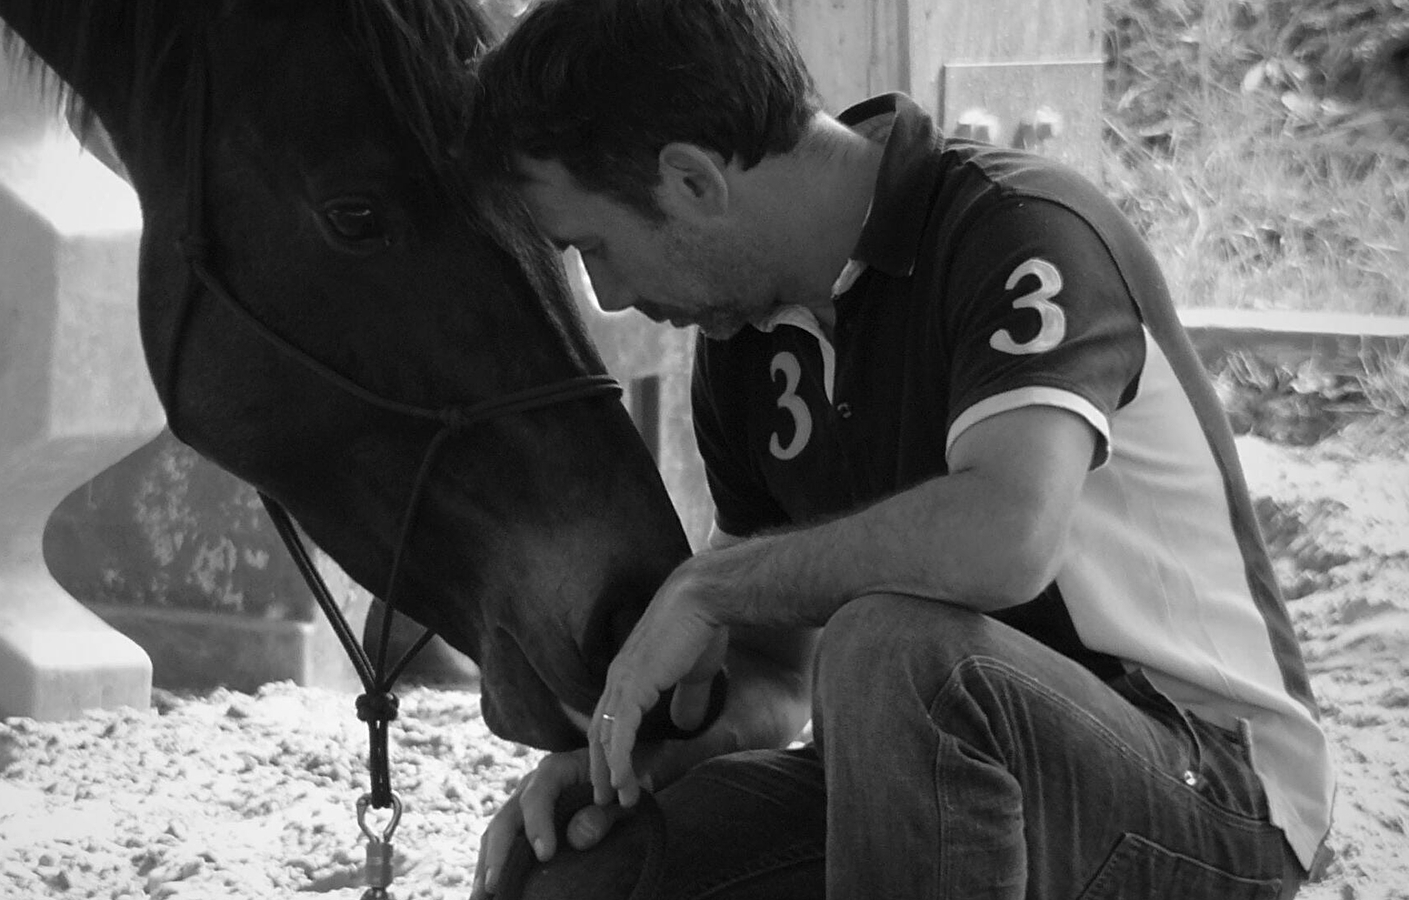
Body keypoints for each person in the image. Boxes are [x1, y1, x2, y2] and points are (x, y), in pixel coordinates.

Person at [464, 0, 1336, 896]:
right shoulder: (741, 350)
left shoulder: (1019, 226)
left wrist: (712, 584)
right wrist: (645, 763)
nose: (607, 296)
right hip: (941, 775)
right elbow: (777, 675)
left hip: (1215, 795)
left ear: (692, 180)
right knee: (578, 875)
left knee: (890, 651)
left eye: (594, 248)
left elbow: (1007, 535)